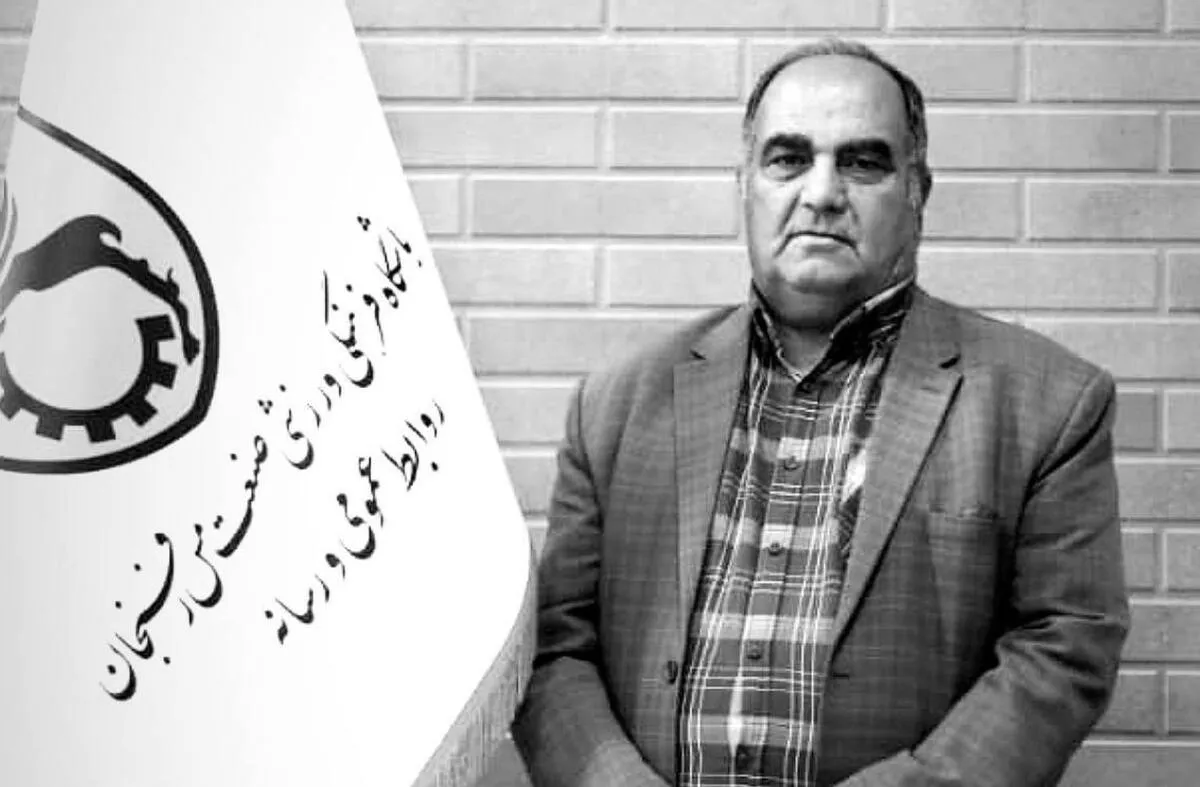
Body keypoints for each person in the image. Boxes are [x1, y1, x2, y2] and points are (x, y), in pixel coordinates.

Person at [512, 38, 1129, 787]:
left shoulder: (1047, 404)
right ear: (745, 186)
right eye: (788, 159)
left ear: (918, 192)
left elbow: (1062, 648)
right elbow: (556, 650)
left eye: (863, 163)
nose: (823, 192)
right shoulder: (616, 405)